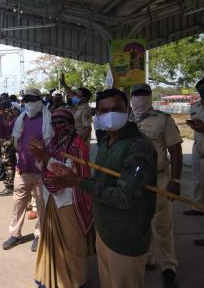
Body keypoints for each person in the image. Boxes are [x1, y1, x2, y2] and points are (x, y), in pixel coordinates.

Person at [47, 88, 157, 288]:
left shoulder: (138, 146)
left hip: (126, 237)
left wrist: (78, 182)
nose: (110, 114)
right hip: (105, 233)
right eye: (104, 111)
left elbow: (126, 196)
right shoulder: (106, 141)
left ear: (128, 110)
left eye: (116, 108)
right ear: (97, 115)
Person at [29, 108, 93, 288]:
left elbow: (68, 174)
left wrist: (45, 158)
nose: (57, 127)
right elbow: (42, 165)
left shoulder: (78, 146)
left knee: (72, 244)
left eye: (61, 123)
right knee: (50, 241)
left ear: (70, 125)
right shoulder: (52, 144)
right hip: (52, 199)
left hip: (71, 200)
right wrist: (39, 154)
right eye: (54, 123)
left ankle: (75, 281)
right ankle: (49, 278)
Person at [131, 83, 182, 288]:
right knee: (139, 221)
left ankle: (168, 268)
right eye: (137, 94)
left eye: (144, 94)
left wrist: (176, 181)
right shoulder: (126, 120)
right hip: (134, 180)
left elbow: (176, 152)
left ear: (151, 97)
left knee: (162, 225)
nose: (140, 98)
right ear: (131, 97)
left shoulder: (163, 120)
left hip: (159, 179)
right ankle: (148, 258)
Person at [1, 88, 54, 252]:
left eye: (32, 98)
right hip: (23, 169)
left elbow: (51, 144)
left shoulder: (48, 119)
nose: (29, 102)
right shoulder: (21, 119)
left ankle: (39, 235)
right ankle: (15, 234)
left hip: (41, 170)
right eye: (26, 99)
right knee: (18, 202)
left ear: (40, 100)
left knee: (41, 204)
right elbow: (11, 137)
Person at [186, 77, 204, 247]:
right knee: (197, 178)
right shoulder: (195, 106)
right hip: (198, 145)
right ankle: (198, 206)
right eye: (200, 89)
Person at [0, 100, 20, 196]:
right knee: (12, 165)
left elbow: (1, 132)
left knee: (8, 165)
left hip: (8, 142)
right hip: (12, 141)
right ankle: (12, 185)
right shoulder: (15, 114)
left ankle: (9, 188)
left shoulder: (7, 115)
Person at [62, 76, 92, 144]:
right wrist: (64, 84)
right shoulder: (79, 106)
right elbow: (71, 94)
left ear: (85, 99)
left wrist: (80, 144)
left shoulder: (85, 110)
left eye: (78, 96)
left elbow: (88, 129)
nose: (75, 98)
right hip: (75, 139)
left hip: (81, 141)